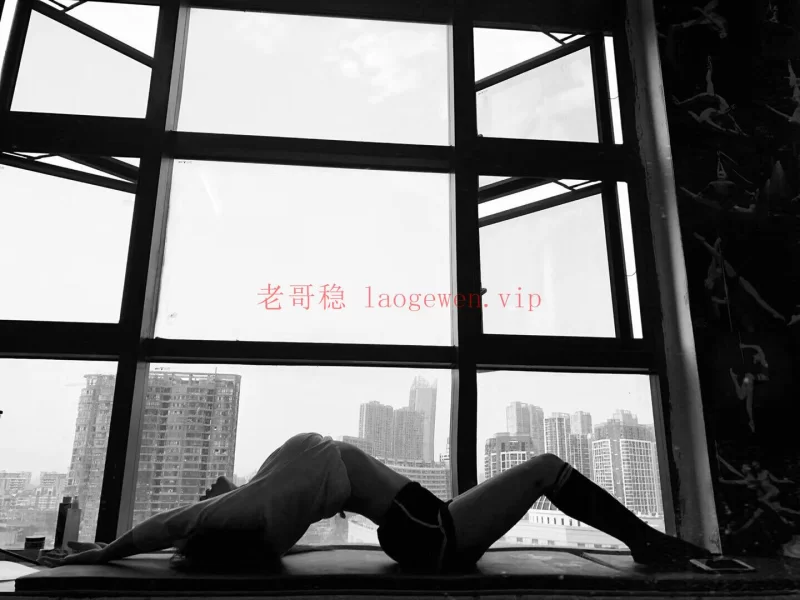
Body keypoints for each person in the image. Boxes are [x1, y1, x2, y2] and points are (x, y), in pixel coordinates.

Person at [40, 432, 710, 573]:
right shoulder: (234, 513)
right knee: (545, 469)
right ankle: (646, 543)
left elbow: (164, 530)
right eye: (206, 500)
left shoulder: (256, 496)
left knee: (539, 471)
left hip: (419, 523)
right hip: (428, 533)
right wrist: (98, 554)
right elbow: (159, 529)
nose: (208, 488)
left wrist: (102, 551)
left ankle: (647, 541)